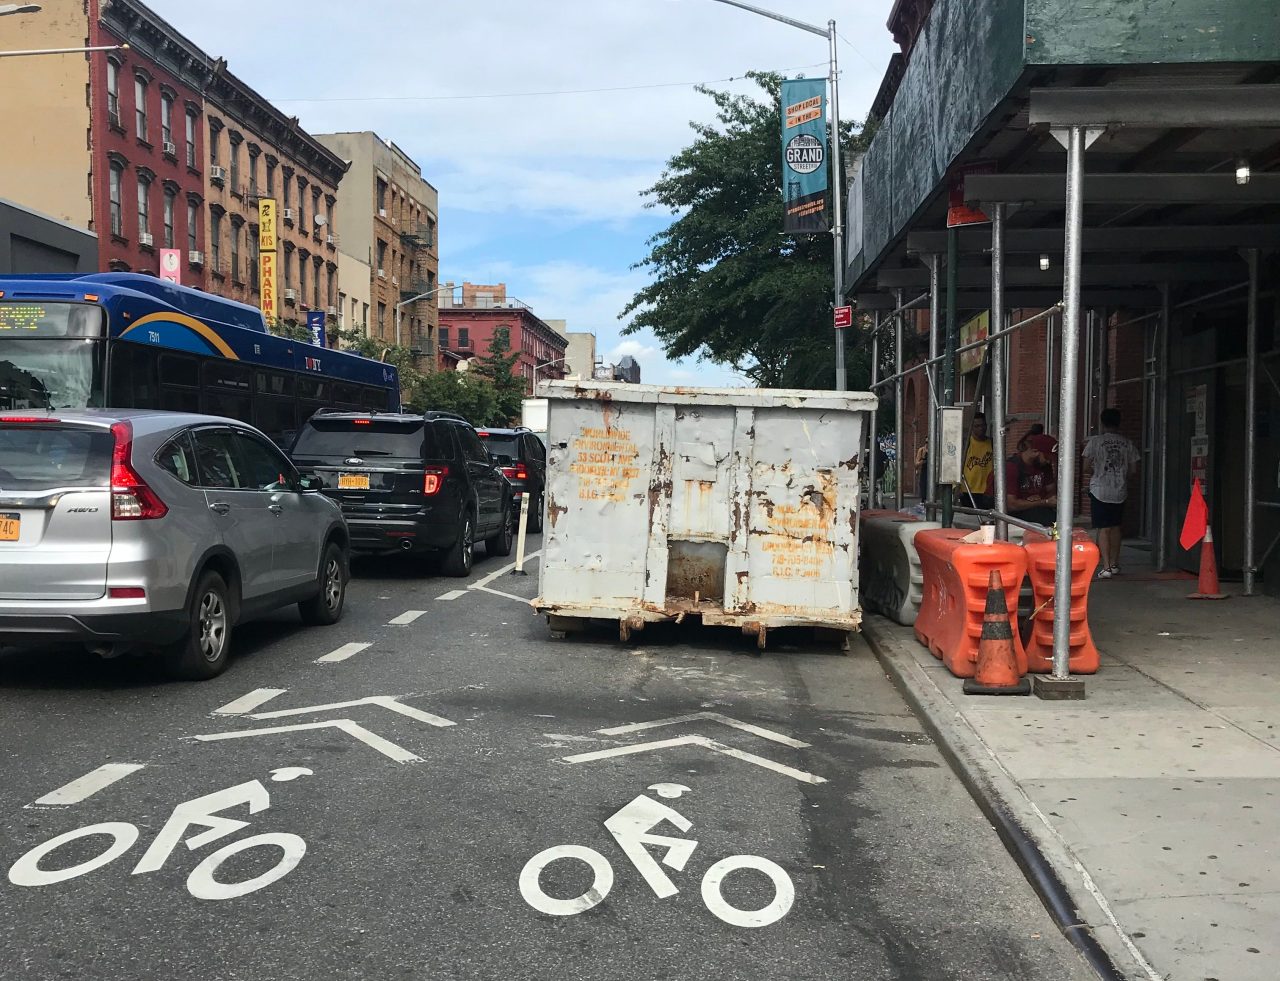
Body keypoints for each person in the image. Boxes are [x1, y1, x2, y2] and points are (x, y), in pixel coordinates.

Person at [1082, 407, 1140, 579]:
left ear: (1102, 422)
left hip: (1100, 489)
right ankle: (1114, 564)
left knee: (1103, 528)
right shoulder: (1127, 443)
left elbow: (1085, 467)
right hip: (1119, 490)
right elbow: (1133, 470)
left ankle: (1105, 566)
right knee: (1116, 527)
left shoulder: (1095, 442)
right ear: (1119, 422)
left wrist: (1097, 471)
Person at [1005, 436, 1057, 526]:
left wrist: (1043, 500)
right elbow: (1011, 505)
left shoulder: (1044, 466)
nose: (1049, 461)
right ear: (1035, 451)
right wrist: (1043, 502)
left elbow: (1052, 491)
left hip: (1040, 513)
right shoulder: (1011, 467)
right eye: (1046, 457)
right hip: (1016, 518)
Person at [961, 413, 994, 510]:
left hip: (988, 490)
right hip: (968, 490)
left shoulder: (992, 443)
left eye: (983, 425)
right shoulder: (965, 443)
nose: (981, 428)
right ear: (972, 427)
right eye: (977, 426)